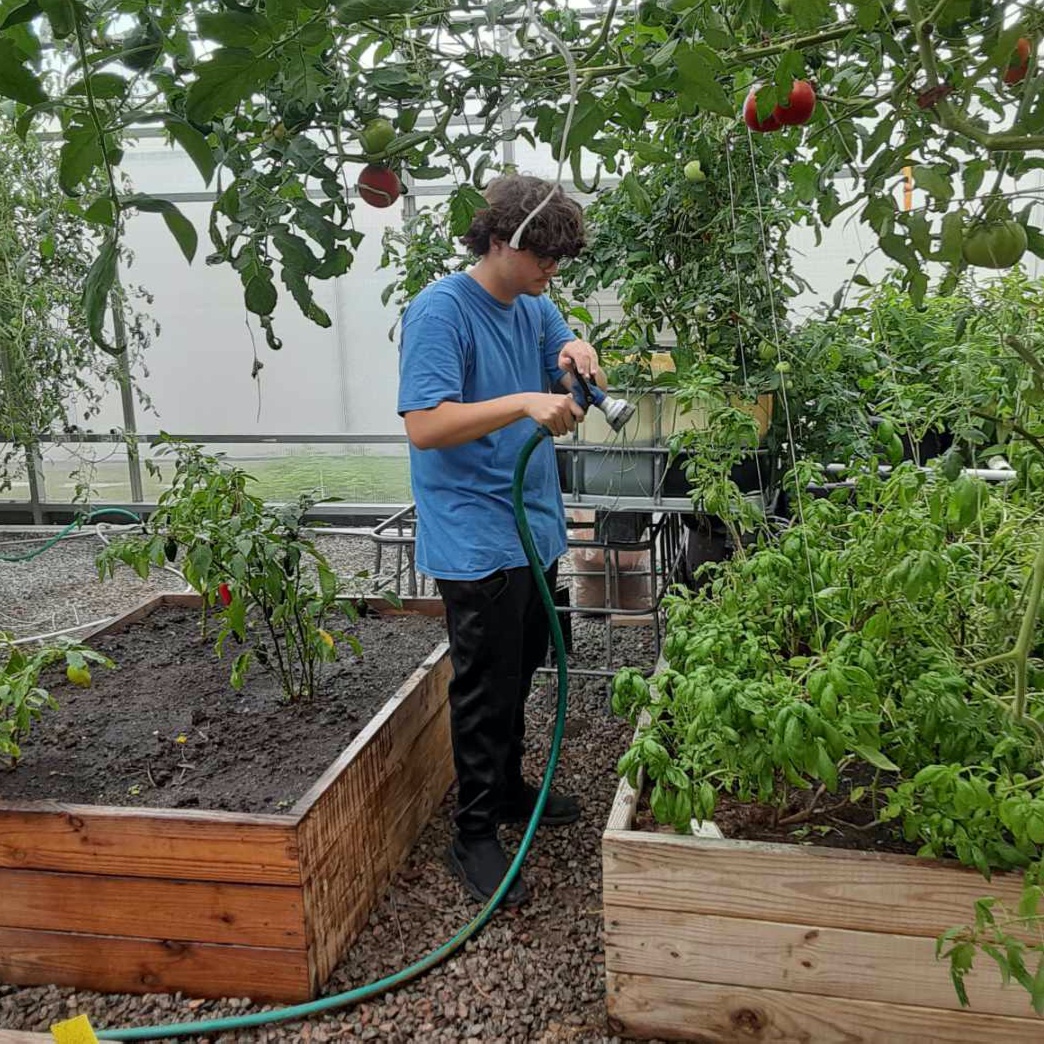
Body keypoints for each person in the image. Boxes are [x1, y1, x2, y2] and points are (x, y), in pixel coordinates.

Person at [396, 174, 603, 907]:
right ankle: (473, 834)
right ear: (501, 241)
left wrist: (577, 349)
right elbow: (426, 424)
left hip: (530, 527)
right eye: (543, 256)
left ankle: (511, 789)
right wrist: (521, 401)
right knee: (484, 688)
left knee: (524, 666)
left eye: (559, 262)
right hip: (478, 534)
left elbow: (560, 340)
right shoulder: (441, 311)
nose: (553, 272)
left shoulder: (534, 304)